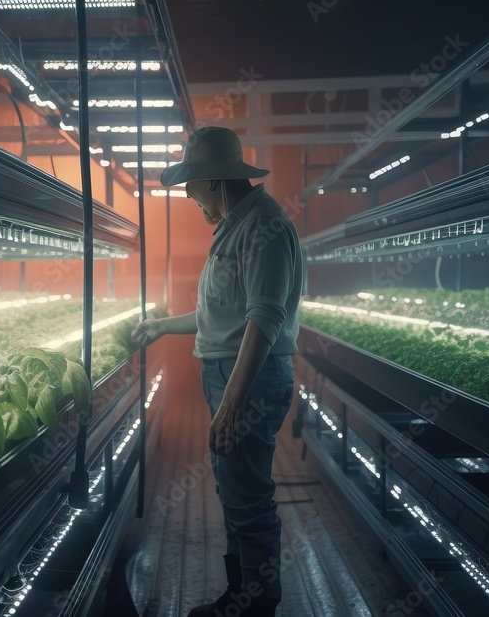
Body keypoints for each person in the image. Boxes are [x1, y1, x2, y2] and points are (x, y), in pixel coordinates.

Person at [132, 126, 303, 617]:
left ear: (213, 181)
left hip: (248, 379)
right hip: (233, 375)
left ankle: (257, 603)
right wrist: (163, 325)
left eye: (192, 190)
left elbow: (264, 318)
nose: (193, 201)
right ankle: (242, 593)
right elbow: (220, 316)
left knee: (248, 493)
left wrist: (232, 399)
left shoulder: (264, 227)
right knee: (235, 487)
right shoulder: (236, 225)